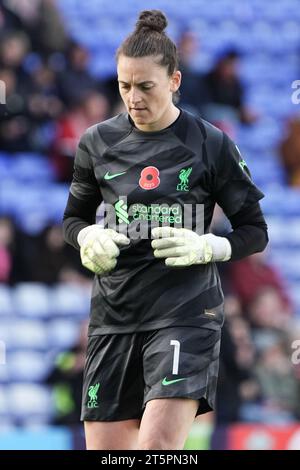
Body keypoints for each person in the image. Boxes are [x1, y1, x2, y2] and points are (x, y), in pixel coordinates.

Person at [63, 10, 268, 450]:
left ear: (174, 81)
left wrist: (211, 246)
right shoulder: (96, 142)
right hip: (113, 315)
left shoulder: (210, 143)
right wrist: (85, 237)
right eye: (124, 86)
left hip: (185, 312)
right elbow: (73, 218)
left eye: (145, 86)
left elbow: (255, 230)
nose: (133, 97)